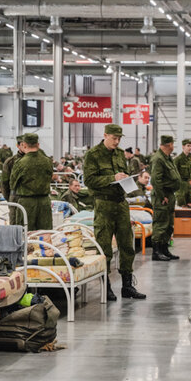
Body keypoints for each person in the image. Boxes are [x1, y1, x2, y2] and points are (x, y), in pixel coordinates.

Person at [83, 124, 146, 301]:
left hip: (121, 203)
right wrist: (112, 178)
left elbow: (122, 174)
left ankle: (127, 285)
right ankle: (106, 286)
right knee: (104, 246)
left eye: (119, 139)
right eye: (114, 138)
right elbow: (89, 180)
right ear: (105, 135)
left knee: (127, 244)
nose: (117, 142)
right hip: (104, 205)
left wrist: (125, 179)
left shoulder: (119, 154)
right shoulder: (93, 155)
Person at [10, 133, 53, 231]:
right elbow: (50, 177)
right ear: (38, 145)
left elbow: (13, 184)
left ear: (24, 145)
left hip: (26, 203)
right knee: (45, 234)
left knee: (25, 234)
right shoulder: (47, 161)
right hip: (44, 202)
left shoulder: (20, 163)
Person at [150, 135, 182, 261]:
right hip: (162, 195)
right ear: (169, 145)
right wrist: (162, 196)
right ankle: (156, 251)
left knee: (168, 224)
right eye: (172, 144)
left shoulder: (167, 158)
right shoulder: (158, 159)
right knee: (160, 224)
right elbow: (155, 180)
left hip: (169, 194)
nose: (173, 147)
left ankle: (164, 249)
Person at [1, 135, 25, 224]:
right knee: (15, 225)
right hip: (16, 197)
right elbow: (4, 183)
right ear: (18, 146)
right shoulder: (10, 162)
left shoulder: (37, 161)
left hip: (33, 199)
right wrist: (11, 198)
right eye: (23, 145)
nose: (25, 147)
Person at [174, 139, 191, 207]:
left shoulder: (189, 159)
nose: (190, 148)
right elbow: (174, 174)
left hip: (188, 185)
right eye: (188, 146)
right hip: (181, 186)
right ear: (183, 147)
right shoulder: (178, 159)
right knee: (182, 208)